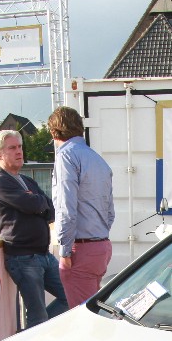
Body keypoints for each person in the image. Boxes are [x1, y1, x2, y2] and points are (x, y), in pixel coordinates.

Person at [0, 130, 68, 327]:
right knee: (38, 315)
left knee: (69, 296)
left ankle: (42, 331)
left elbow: (50, 209)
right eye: (12, 148)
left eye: (20, 147)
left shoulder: (27, 180)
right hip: (23, 257)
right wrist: (36, 203)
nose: (19, 151)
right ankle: (36, 336)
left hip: (43, 254)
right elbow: (34, 204)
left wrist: (37, 203)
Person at [48, 106, 114, 308]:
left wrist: (65, 251)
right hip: (101, 245)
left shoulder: (66, 156)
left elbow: (66, 208)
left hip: (80, 249)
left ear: (53, 132)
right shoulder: (98, 159)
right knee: (93, 309)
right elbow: (110, 212)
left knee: (82, 315)